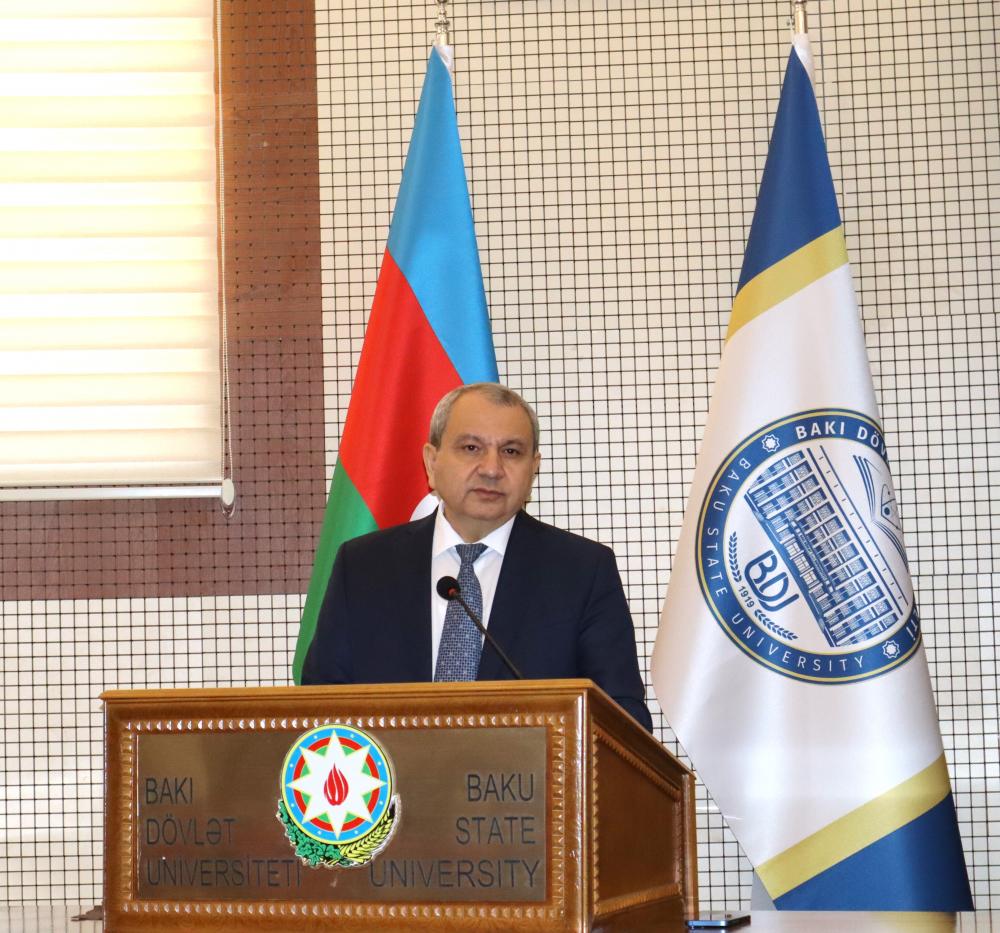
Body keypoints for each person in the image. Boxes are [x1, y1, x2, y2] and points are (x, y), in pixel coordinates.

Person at [301, 383, 653, 730]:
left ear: (534, 467)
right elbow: (319, 705)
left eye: (511, 451)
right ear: (432, 462)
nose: (491, 468)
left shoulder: (581, 572)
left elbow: (624, 721)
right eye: (471, 448)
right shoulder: (363, 567)